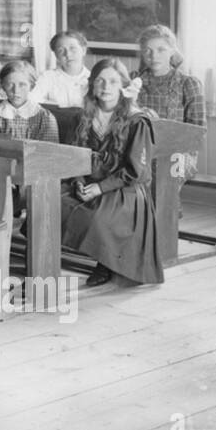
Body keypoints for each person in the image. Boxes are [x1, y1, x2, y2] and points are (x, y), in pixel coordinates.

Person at [63, 58, 163, 287]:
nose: (106, 87)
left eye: (112, 81)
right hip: (87, 181)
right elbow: (71, 155)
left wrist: (99, 187)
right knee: (52, 204)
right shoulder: (81, 117)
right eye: (99, 81)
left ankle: (106, 262)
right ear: (92, 85)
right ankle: (43, 263)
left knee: (98, 216)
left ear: (123, 86)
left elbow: (136, 171)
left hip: (122, 187)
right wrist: (78, 181)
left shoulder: (137, 121)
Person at [0, 61, 59, 215]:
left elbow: (48, 156)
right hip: (1, 172)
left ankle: (25, 218)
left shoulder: (44, 117)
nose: (16, 90)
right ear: (2, 85)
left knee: (38, 188)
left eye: (22, 84)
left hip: (34, 173)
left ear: (32, 85)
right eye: (10, 84)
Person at [133, 24, 206, 127]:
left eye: (161, 50)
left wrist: (159, 125)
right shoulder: (132, 80)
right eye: (147, 51)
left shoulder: (189, 85)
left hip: (174, 143)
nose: (154, 56)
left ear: (172, 51)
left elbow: (196, 136)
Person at [31, 31, 91, 108]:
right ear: (56, 55)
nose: (68, 54)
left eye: (72, 48)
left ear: (83, 50)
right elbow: (32, 99)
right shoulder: (47, 77)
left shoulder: (93, 78)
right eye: (61, 50)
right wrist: (59, 106)